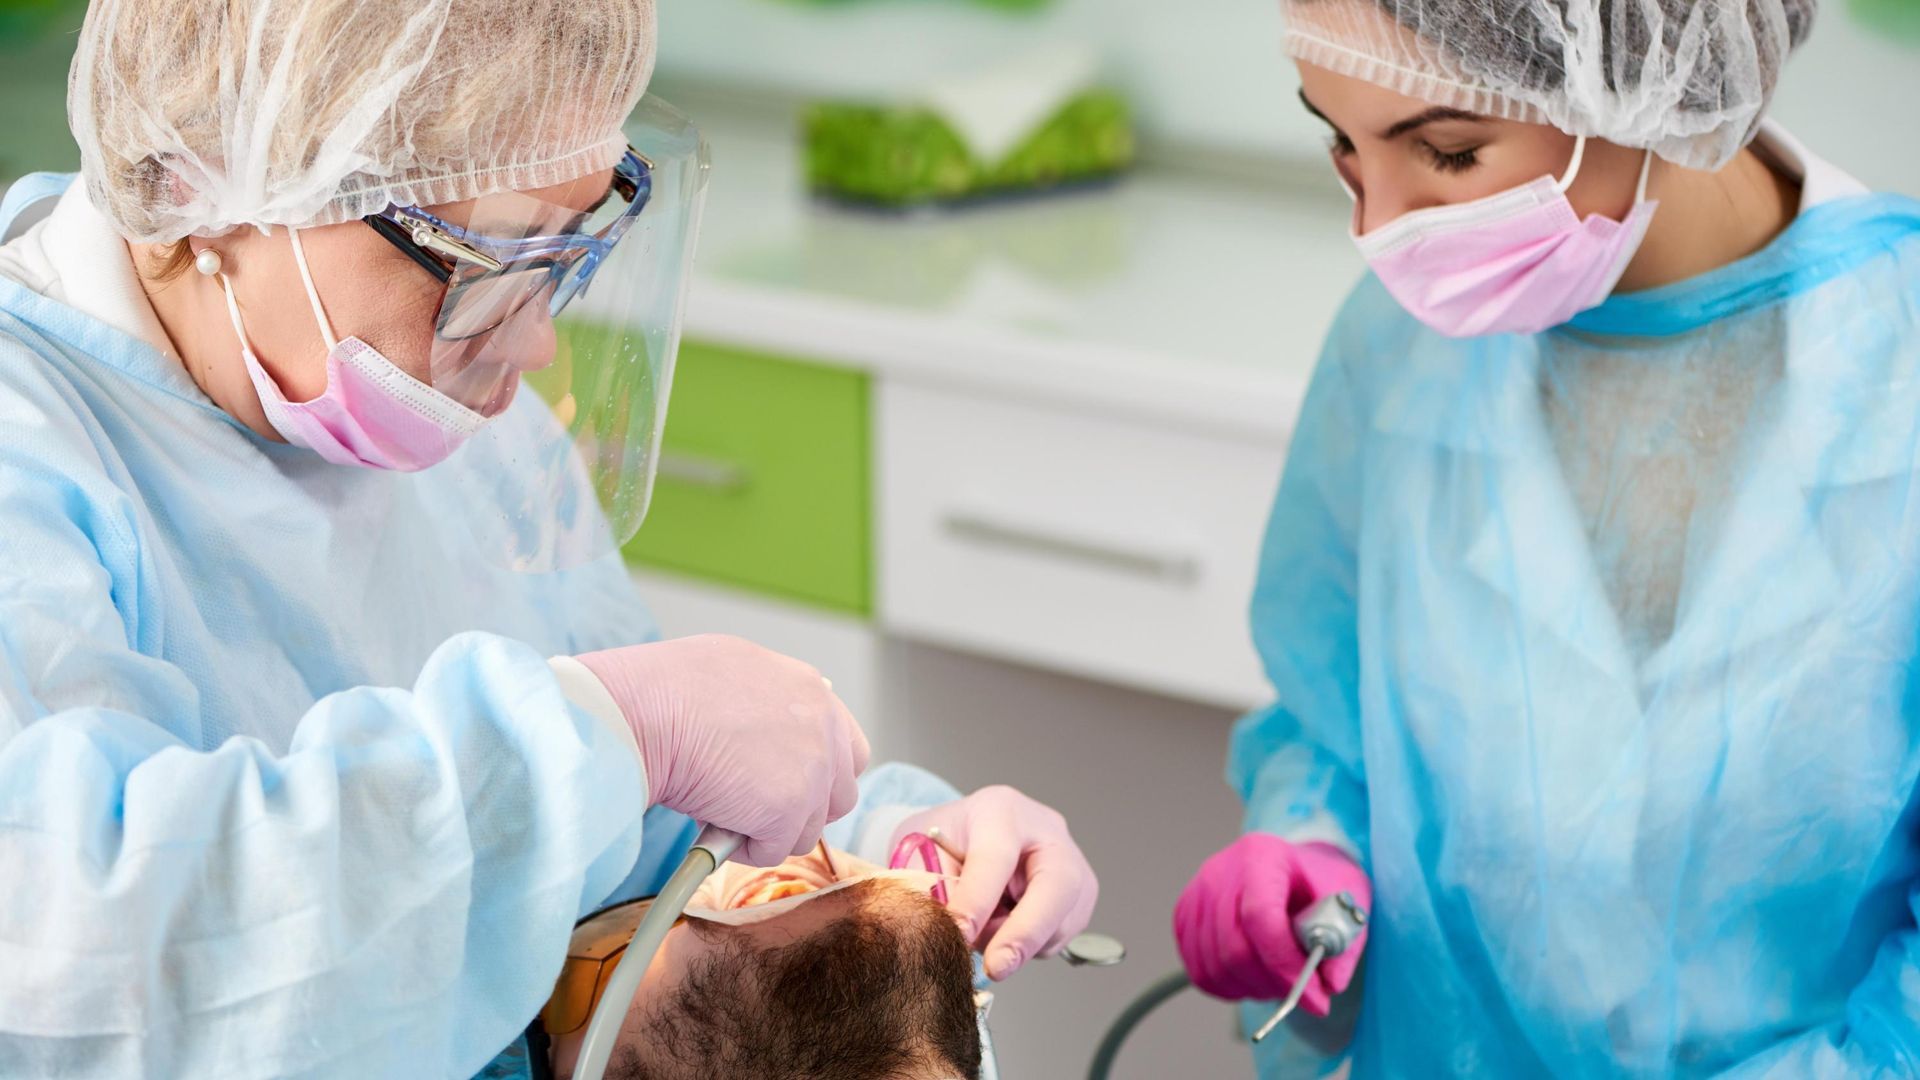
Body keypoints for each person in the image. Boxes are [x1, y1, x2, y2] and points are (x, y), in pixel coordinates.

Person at [0, 1, 1096, 1075]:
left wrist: (882, 845)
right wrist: (607, 732)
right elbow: (94, 968)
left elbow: (622, 834)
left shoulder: (438, 404)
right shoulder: (32, 454)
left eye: (568, 251)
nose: (529, 346)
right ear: (208, 186)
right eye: (486, 262)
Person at [1171, 0, 1920, 1075]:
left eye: (1447, 150)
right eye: (1341, 140)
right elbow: (1336, 722)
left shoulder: (1900, 362)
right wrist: (1310, 845)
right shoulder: (1401, 346)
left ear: (1647, 77)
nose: (1379, 226)